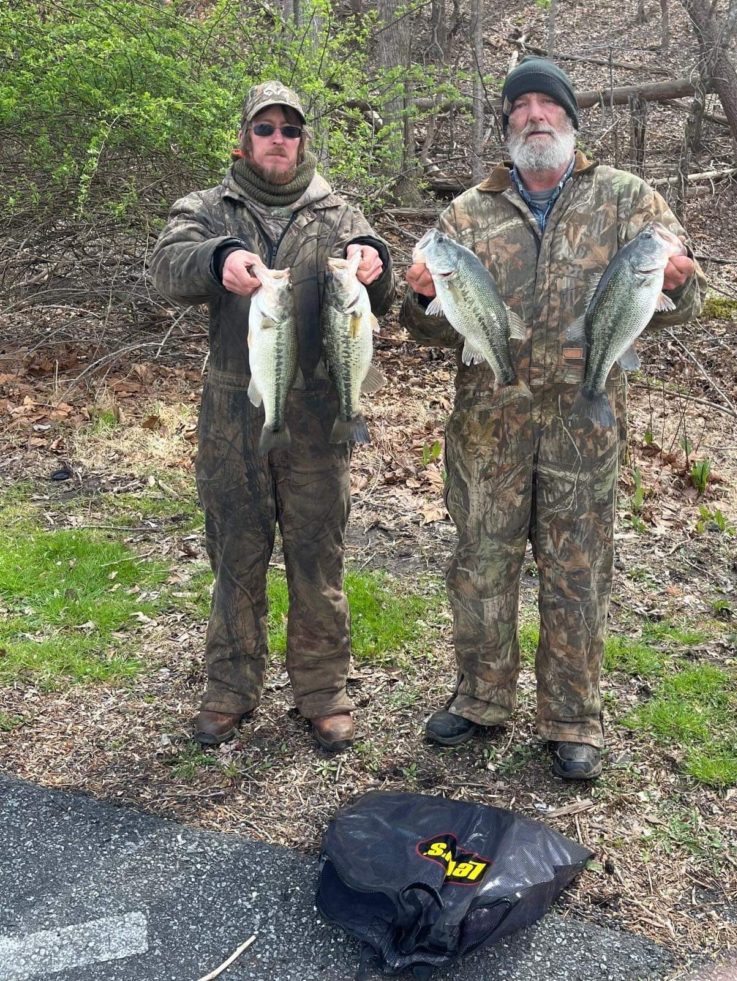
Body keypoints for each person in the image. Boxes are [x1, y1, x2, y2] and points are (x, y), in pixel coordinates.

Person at [401, 57, 706, 779]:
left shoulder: (628, 200)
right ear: (506, 124)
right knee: (481, 565)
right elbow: (428, 329)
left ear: (571, 120)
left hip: (584, 427)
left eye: (549, 105)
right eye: (521, 106)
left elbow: (684, 301)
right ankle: (481, 698)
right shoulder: (466, 213)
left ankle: (572, 718)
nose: (535, 116)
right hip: (487, 431)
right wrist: (420, 300)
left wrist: (680, 285)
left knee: (578, 572)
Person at [149, 80, 394, 752]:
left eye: (290, 129)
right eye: (265, 128)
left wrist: (375, 261)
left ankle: (323, 691)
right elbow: (166, 268)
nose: (279, 140)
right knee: (236, 553)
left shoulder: (340, 213)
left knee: (319, 557)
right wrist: (219, 258)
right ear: (243, 140)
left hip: (321, 418)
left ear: (304, 139)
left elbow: (381, 294)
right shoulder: (208, 208)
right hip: (234, 412)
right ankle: (230, 688)